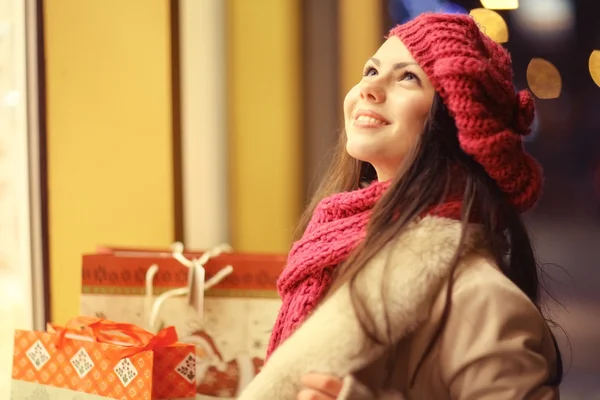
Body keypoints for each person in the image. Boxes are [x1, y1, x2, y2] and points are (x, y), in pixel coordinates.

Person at [239, 12, 563, 400]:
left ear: (455, 122)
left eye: (408, 77)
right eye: (370, 70)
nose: (369, 88)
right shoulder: (331, 250)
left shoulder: (479, 297)